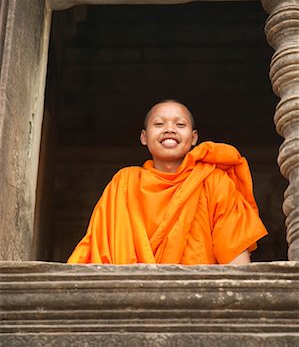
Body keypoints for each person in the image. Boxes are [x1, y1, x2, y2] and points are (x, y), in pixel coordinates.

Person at [67, 100, 268, 265]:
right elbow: (99, 253)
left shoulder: (214, 182)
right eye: (159, 124)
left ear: (194, 137)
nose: (170, 129)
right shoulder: (125, 184)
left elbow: (236, 261)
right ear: (144, 137)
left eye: (180, 125)